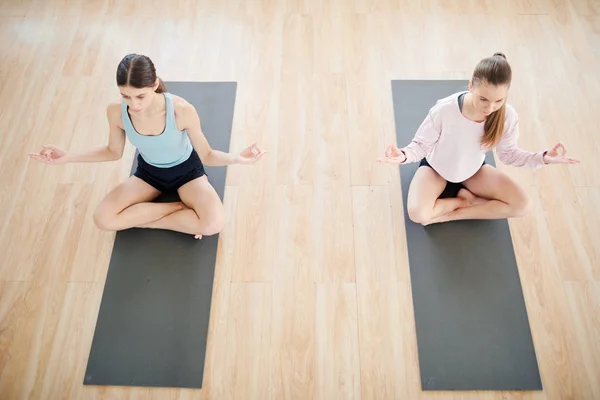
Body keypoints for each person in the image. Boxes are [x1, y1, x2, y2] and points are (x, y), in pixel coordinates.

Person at [29, 53, 266, 239]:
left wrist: (238, 158)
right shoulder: (116, 112)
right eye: (126, 96)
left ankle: (145, 220)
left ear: (154, 84)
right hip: (148, 174)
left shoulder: (181, 110)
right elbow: (113, 152)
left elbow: (207, 155)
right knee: (103, 219)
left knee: (214, 224)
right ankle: (178, 208)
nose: (133, 104)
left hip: (187, 174)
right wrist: (67, 157)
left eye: (140, 96)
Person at [379, 52, 579, 226]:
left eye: (498, 101)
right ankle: (463, 201)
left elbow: (509, 155)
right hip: (435, 169)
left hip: (473, 172)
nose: (489, 108)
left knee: (523, 205)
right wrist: (402, 155)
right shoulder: (444, 109)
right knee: (418, 214)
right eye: (483, 99)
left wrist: (543, 157)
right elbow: (421, 145)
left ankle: (454, 214)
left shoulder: (507, 116)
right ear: (471, 86)